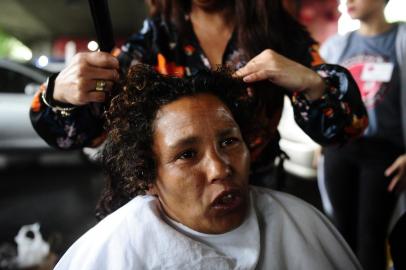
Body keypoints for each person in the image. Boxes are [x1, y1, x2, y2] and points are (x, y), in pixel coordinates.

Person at [53, 64, 361, 269]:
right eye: (187, 154)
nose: (220, 169)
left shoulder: (302, 227)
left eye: (229, 142)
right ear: (148, 174)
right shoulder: (113, 253)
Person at [30, 0, 368, 186]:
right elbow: (85, 134)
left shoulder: (276, 28)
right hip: (182, 198)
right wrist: (60, 95)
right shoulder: (157, 37)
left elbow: (345, 129)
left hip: (258, 189)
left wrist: (314, 84)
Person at [318, 0, 406, 269]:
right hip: (341, 149)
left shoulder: (400, 40)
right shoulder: (335, 47)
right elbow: (324, 102)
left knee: (372, 240)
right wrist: (321, 143)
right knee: (340, 237)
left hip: (385, 155)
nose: (349, 1)